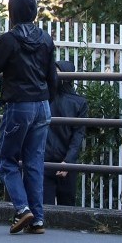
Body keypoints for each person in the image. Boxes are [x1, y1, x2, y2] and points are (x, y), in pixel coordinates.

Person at [0, 0, 57, 234]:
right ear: (34, 12)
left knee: (6, 158)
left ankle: (22, 208)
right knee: (35, 161)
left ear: (12, 13)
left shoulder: (9, 40)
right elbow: (52, 77)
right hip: (42, 105)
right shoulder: (46, 39)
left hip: (19, 105)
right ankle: (37, 219)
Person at [44, 60, 88, 206]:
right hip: (61, 161)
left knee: (45, 207)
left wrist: (67, 162)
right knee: (67, 207)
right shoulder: (79, 102)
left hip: (47, 159)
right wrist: (68, 161)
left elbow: (78, 135)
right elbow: (78, 136)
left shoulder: (46, 98)